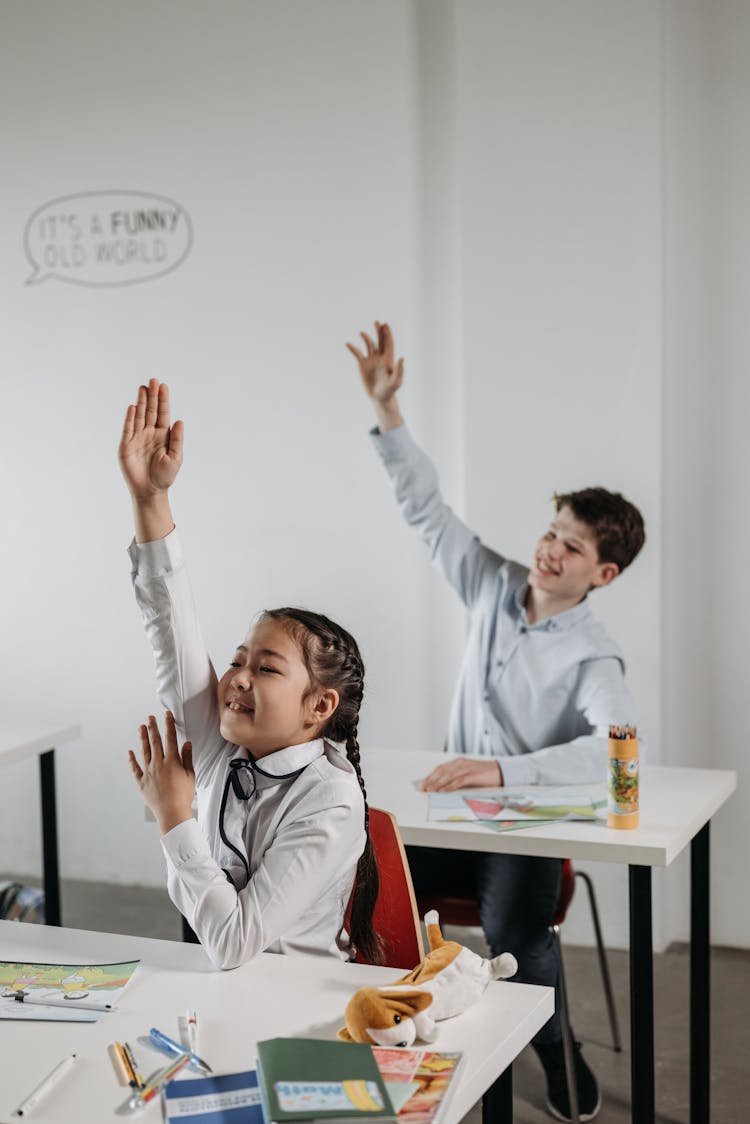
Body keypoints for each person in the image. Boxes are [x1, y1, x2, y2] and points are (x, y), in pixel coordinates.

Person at [347, 322, 645, 1123]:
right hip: (449, 810)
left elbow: (618, 753)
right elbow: (426, 510)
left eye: (572, 548)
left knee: (516, 943)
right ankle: (396, 1045)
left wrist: (503, 771)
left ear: (602, 573)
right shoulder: (492, 580)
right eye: (552, 533)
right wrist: (388, 408)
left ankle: (554, 1053)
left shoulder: (595, 654)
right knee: (363, 867)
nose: (549, 551)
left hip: (521, 823)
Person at [118, 379, 380, 971]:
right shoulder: (227, 746)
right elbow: (170, 625)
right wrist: (149, 499)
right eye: (238, 659)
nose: (236, 676)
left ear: (319, 707)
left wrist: (174, 816)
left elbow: (236, 944)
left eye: (266, 668)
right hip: (213, 992)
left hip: (291, 1003)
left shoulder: (329, 799)